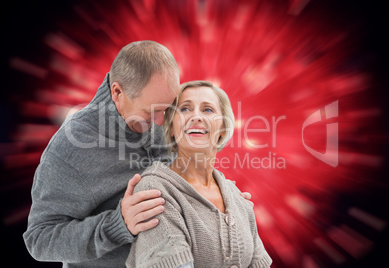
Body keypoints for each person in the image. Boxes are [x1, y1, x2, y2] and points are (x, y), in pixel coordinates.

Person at [23, 41, 252, 267]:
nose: (163, 123)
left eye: (169, 108)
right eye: (152, 112)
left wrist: (217, 201)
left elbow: (180, 182)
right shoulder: (71, 149)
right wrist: (117, 225)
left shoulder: (159, 109)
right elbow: (39, 240)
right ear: (117, 92)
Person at [126, 81, 272, 268]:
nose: (196, 116)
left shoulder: (237, 197)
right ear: (171, 128)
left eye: (208, 110)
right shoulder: (154, 190)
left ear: (223, 129)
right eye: (185, 109)